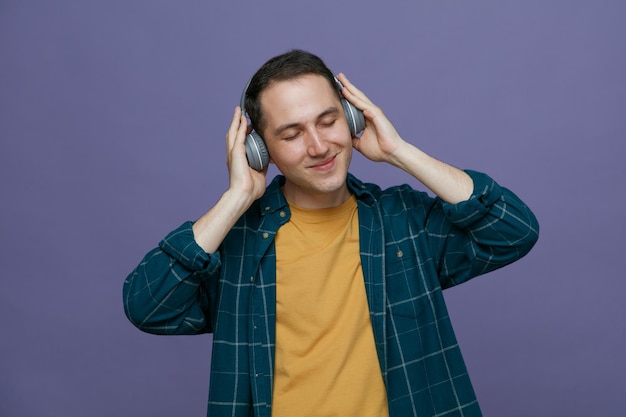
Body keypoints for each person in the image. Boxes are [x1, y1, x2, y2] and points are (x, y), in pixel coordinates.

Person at [123, 49, 539, 417]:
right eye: (292, 134)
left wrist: (399, 152)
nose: (319, 146)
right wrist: (237, 197)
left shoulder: (403, 222)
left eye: (328, 121)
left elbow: (513, 230)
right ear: (260, 149)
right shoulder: (238, 244)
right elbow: (148, 306)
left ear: (353, 117)